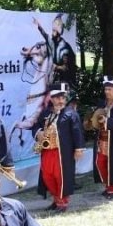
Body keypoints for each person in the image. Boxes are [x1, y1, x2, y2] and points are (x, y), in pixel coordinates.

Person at [31, 83, 83, 212]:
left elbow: (78, 132)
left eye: (63, 98)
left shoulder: (71, 114)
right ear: (52, 98)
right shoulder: (46, 113)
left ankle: (63, 203)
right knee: (47, 176)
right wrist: (39, 133)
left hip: (63, 152)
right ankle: (56, 199)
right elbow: (35, 126)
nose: (61, 100)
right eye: (57, 98)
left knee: (61, 177)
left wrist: (79, 148)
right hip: (47, 152)